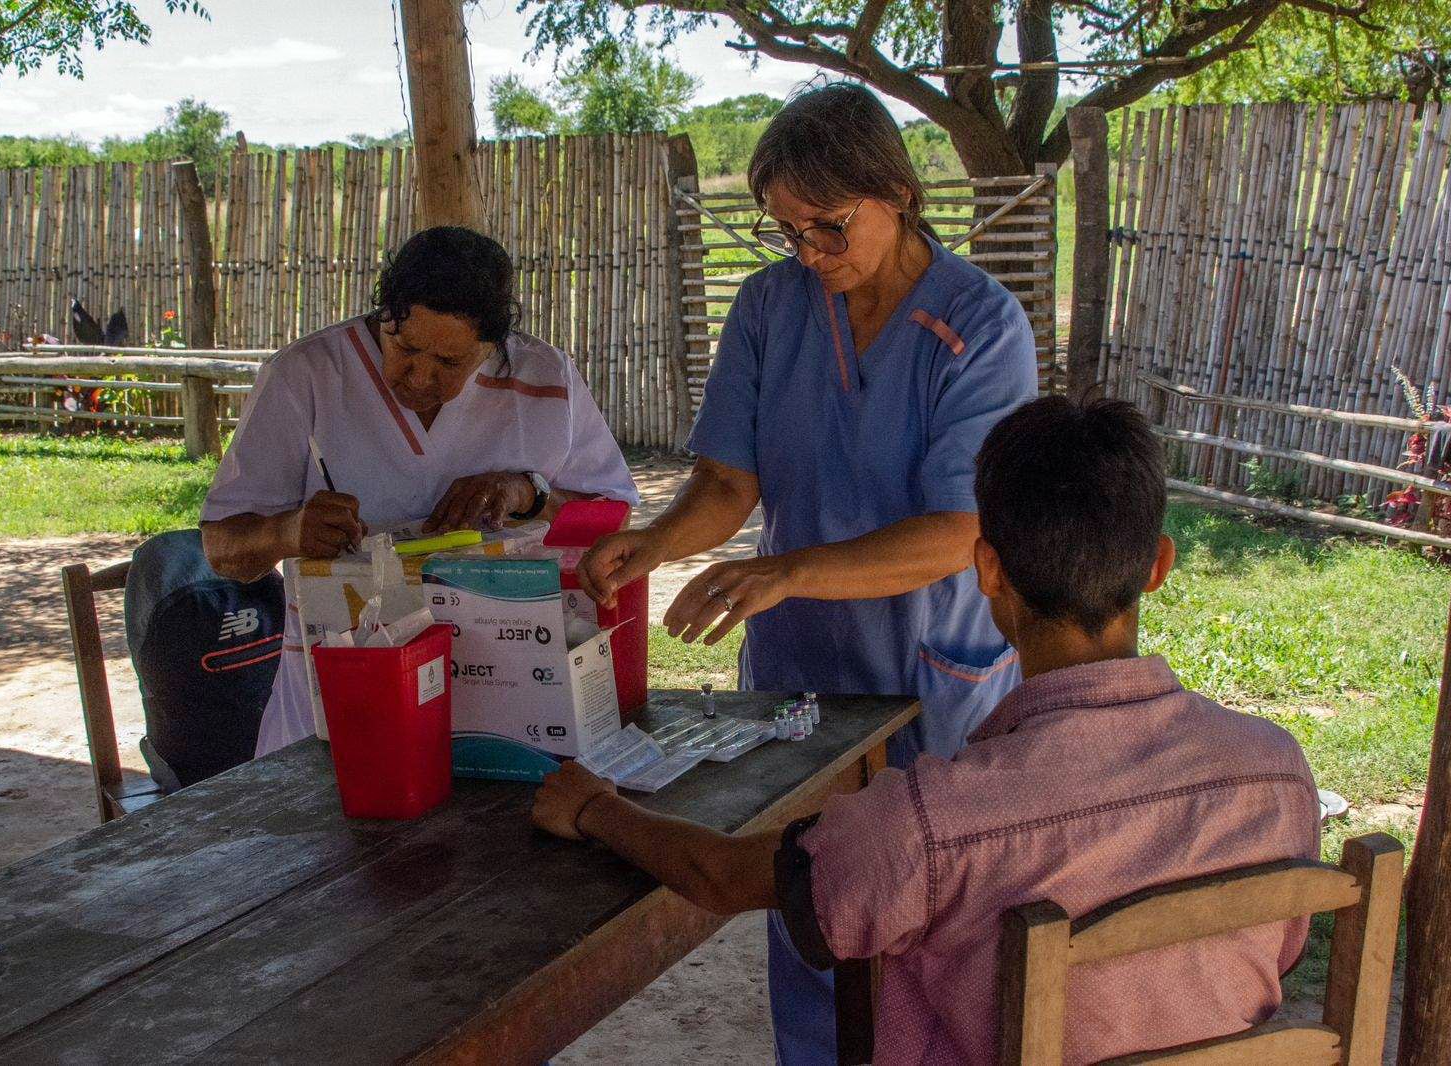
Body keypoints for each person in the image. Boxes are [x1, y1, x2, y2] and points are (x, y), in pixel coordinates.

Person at [540, 396, 1322, 1065]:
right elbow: (1277, 956)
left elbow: (720, 878)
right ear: (1157, 566)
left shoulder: (933, 826)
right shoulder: (1277, 774)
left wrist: (595, 808)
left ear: (986, 569)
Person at [575, 82, 1038, 1062]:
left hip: (930, 679)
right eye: (789, 233)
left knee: (939, 929)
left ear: (899, 195)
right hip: (802, 675)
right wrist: (654, 543)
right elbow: (727, 481)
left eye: (828, 227)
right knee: (813, 906)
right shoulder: (769, 307)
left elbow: (959, 530)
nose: (810, 255)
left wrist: (786, 572)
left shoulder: (980, 326)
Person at [202, 225, 639, 757]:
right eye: (405, 347)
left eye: (450, 363)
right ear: (383, 315)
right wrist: (287, 530)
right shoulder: (305, 376)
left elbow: (613, 523)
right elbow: (224, 551)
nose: (418, 377)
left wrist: (528, 491)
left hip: (515, 700)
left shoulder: (546, 379)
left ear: (494, 346)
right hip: (344, 694)